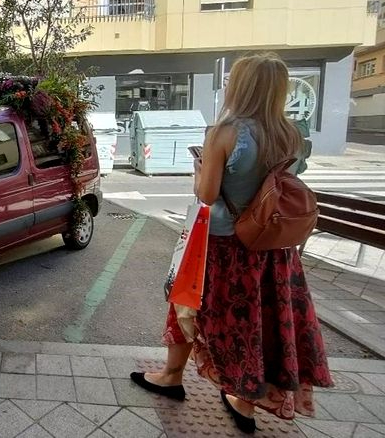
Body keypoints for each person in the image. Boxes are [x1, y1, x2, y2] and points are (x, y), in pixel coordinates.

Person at [130, 52, 332, 434]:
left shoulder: (224, 133)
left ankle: (172, 376)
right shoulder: (290, 134)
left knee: (187, 303)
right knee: (256, 323)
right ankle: (244, 401)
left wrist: (199, 170)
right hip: (271, 249)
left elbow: (207, 195)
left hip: (222, 245)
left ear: (240, 86)